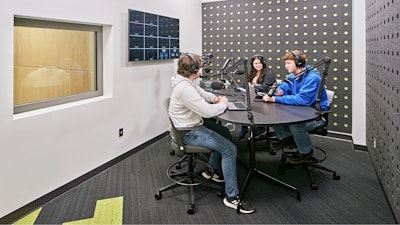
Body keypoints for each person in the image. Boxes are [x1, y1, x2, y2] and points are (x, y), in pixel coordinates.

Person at [169, 53, 255, 213]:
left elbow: (202, 93)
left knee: (223, 131)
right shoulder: (184, 88)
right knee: (230, 149)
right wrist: (223, 104)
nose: (201, 68)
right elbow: (208, 112)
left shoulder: (187, 82)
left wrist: (215, 98)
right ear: (195, 69)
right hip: (188, 132)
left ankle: (213, 170)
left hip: (191, 125)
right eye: (200, 66)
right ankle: (232, 197)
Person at [262, 50, 329, 164]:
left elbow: (302, 100)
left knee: (295, 125)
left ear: (298, 63)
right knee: (272, 115)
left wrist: (275, 99)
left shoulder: (313, 78)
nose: (285, 66)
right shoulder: (293, 76)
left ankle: (306, 152)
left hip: (315, 117)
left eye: (288, 63)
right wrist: (279, 91)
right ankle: (288, 139)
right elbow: (284, 87)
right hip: (298, 111)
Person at [239, 54, 276, 140]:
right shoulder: (252, 72)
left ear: (263, 63)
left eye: (259, 63)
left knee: (250, 106)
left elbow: (265, 87)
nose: (258, 65)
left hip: (262, 98)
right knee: (244, 105)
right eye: (255, 63)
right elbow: (245, 84)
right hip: (252, 95)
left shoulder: (269, 73)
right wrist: (247, 85)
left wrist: (252, 86)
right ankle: (244, 128)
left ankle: (260, 127)